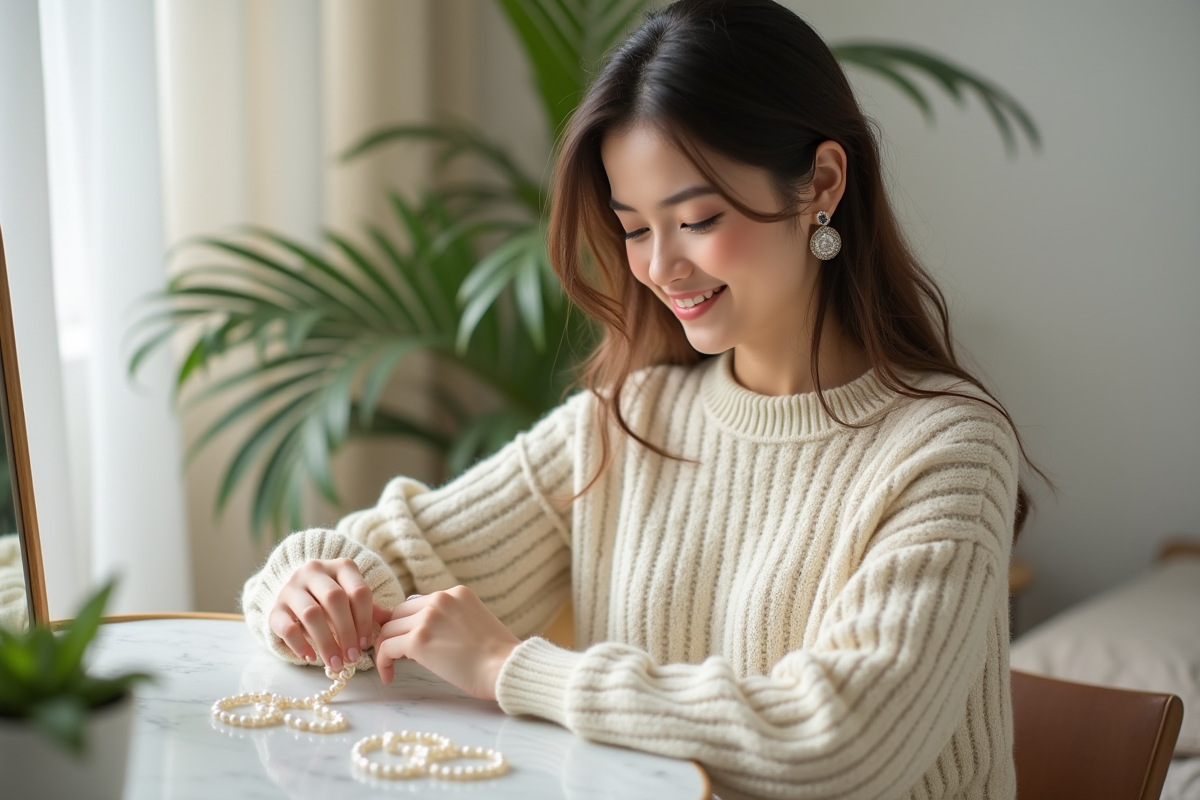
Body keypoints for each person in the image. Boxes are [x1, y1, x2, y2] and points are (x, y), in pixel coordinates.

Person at [242, 1, 1036, 797]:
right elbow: (387, 560)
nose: (662, 268)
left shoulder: (948, 449)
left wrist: (509, 668)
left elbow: (837, 740)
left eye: (697, 218)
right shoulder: (629, 418)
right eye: (633, 228)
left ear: (821, 183)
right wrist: (305, 587)